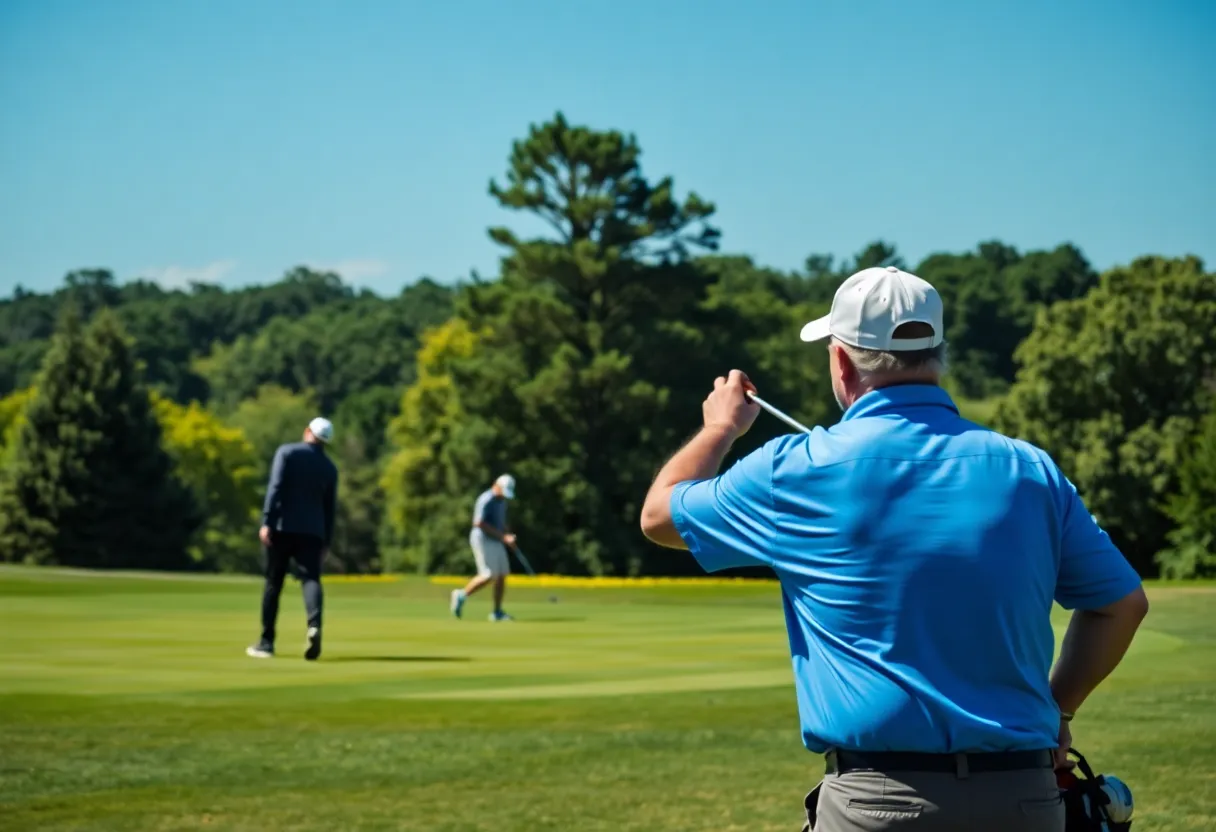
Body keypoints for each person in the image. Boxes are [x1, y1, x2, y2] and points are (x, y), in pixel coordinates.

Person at [640, 265, 1149, 832]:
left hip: (875, 807)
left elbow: (660, 516)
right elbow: (1122, 604)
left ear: (840, 360)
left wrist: (719, 430)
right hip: (1024, 800)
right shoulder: (1027, 468)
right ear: (936, 354)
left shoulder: (796, 470)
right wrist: (1058, 709)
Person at [246, 417, 339, 661]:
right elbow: (330, 508)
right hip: (313, 532)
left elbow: (275, 487)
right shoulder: (330, 468)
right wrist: (326, 541)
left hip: (283, 527)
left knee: (274, 583)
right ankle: (314, 624)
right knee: (310, 579)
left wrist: (267, 521)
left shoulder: (287, 453)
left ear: (307, 431)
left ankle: (266, 642)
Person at [450, 474, 518, 622]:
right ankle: (461, 594)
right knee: (488, 575)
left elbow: (500, 522)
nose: (504, 496)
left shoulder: (502, 501)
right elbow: (478, 523)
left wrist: (508, 536)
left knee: (501, 575)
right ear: (497, 485)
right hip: (482, 538)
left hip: (496, 539)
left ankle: (497, 612)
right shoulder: (485, 499)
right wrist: (503, 537)